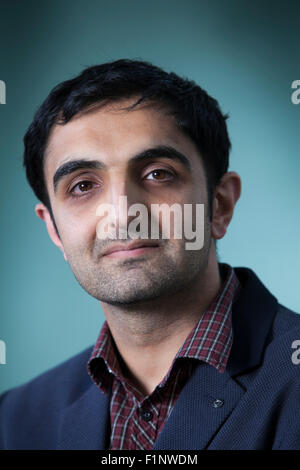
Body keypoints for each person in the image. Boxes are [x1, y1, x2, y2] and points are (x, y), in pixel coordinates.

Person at [0, 59, 299, 450]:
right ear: (53, 228)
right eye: (83, 185)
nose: (123, 214)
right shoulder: (15, 420)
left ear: (219, 205)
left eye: (158, 173)